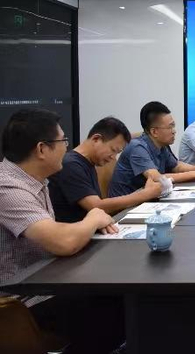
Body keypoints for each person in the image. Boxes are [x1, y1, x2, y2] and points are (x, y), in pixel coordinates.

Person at [0, 108, 124, 353]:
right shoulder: (8, 188)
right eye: (63, 141)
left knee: (116, 294)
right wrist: (93, 218)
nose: (67, 147)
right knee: (116, 304)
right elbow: (63, 242)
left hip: (45, 282)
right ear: (42, 149)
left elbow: (55, 233)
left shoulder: (35, 180)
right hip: (21, 303)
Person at [49, 116, 162, 223]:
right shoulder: (71, 165)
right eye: (113, 150)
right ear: (96, 139)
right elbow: (96, 206)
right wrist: (144, 194)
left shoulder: (88, 163)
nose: (113, 157)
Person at [108, 101, 195, 197]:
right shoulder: (137, 147)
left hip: (147, 200)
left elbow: (176, 166)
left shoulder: (162, 144)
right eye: (170, 127)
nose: (174, 131)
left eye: (173, 126)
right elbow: (157, 178)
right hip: (125, 208)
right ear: (154, 132)